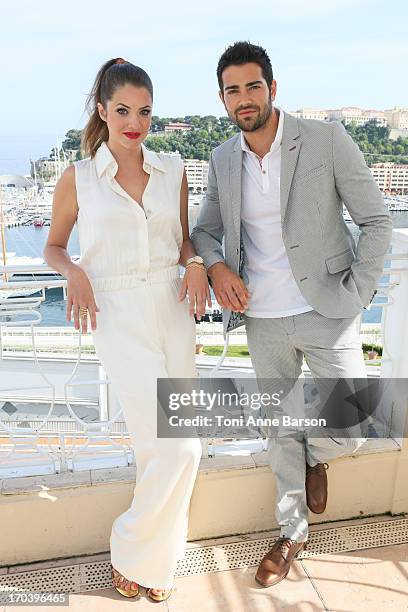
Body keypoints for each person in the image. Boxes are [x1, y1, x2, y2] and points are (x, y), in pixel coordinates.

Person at [191, 41, 393, 588]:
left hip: (328, 309)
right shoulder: (222, 159)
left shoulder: (325, 140)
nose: (244, 98)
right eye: (233, 90)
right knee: (277, 426)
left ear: (273, 88)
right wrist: (216, 269)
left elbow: (376, 221)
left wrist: (359, 290)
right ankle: (291, 533)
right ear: (223, 99)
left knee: (351, 425)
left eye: (253, 86)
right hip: (262, 318)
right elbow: (205, 231)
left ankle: (312, 458)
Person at [43, 57, 211, 602]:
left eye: (143, 111)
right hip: (115, 313)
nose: (134, 122)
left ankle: (154, 563)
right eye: (122, 110)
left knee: (164, 446)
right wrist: (75, 275)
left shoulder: (173, 169)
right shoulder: (80, 178)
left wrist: (195, 266)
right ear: (102, 111)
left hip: (172, 307)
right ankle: (130, 544)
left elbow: (185, 240)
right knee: (179, 447)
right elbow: (54, 247)